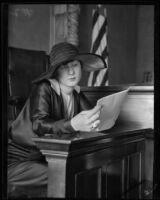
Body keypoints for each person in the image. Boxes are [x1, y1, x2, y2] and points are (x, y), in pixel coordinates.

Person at [8, 42, 106, 197]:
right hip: (21, 161)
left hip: (49, 158)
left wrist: (99, 117)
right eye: (63, 66)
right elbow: (39, 124)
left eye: (74, 64)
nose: (71, 71)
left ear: (81, 67)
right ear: (55, 71)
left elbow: (91, 115)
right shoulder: (44, 88)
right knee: (66, 175)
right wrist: (73, 124)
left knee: (85, 170)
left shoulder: (76, 93)